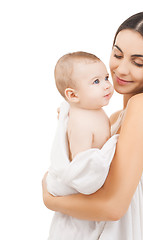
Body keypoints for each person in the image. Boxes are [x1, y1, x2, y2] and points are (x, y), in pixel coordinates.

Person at [42, 11, 143, 240]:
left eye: (138, 62)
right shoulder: (115, 118)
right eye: (117, 55)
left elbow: (113, 207)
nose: (120, 69)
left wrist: (51, 199)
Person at [46, 51, 118, 239]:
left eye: (106, 78)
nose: (107, 86)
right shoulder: (81, 124)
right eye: (96, 82)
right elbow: (82, 172)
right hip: (80, 204)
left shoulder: (94, 110)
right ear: (73, 95)